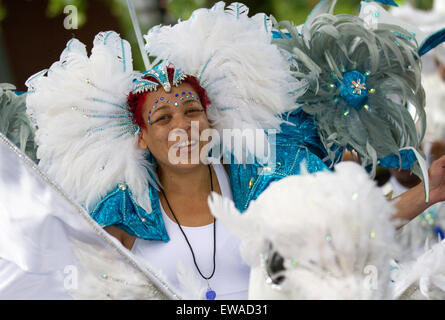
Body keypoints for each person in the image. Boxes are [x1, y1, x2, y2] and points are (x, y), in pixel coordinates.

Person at [5, 1, 445, 300]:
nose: (181, 127)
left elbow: (347, 231)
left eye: (191, 110)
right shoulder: (123, 213)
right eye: (161, 118)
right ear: (140, 136)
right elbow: (74, 280)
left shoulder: (269, 176)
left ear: (212, 121)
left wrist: (430, 190)